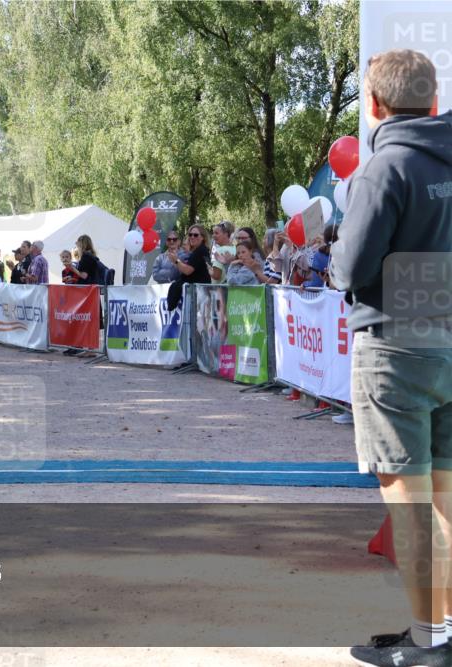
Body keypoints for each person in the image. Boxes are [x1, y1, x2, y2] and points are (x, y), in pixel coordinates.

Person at [330, 49, 452, 667]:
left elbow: (350, 268)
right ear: (433, 101)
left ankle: (431, 642)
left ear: (375, 105)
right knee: (444, 501)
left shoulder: (385, 167)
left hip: (396, 348)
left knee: (410, 502)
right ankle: (442, 631)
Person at [166, 224, 211, 310]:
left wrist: (176, 261)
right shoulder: (200, 250)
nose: (192, 237)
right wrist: (176, 261)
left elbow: (187, 271)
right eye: (190, 234)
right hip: (198, 292)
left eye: (195, 235)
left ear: (203, 237)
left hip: (198, 294)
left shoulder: (200, 251)